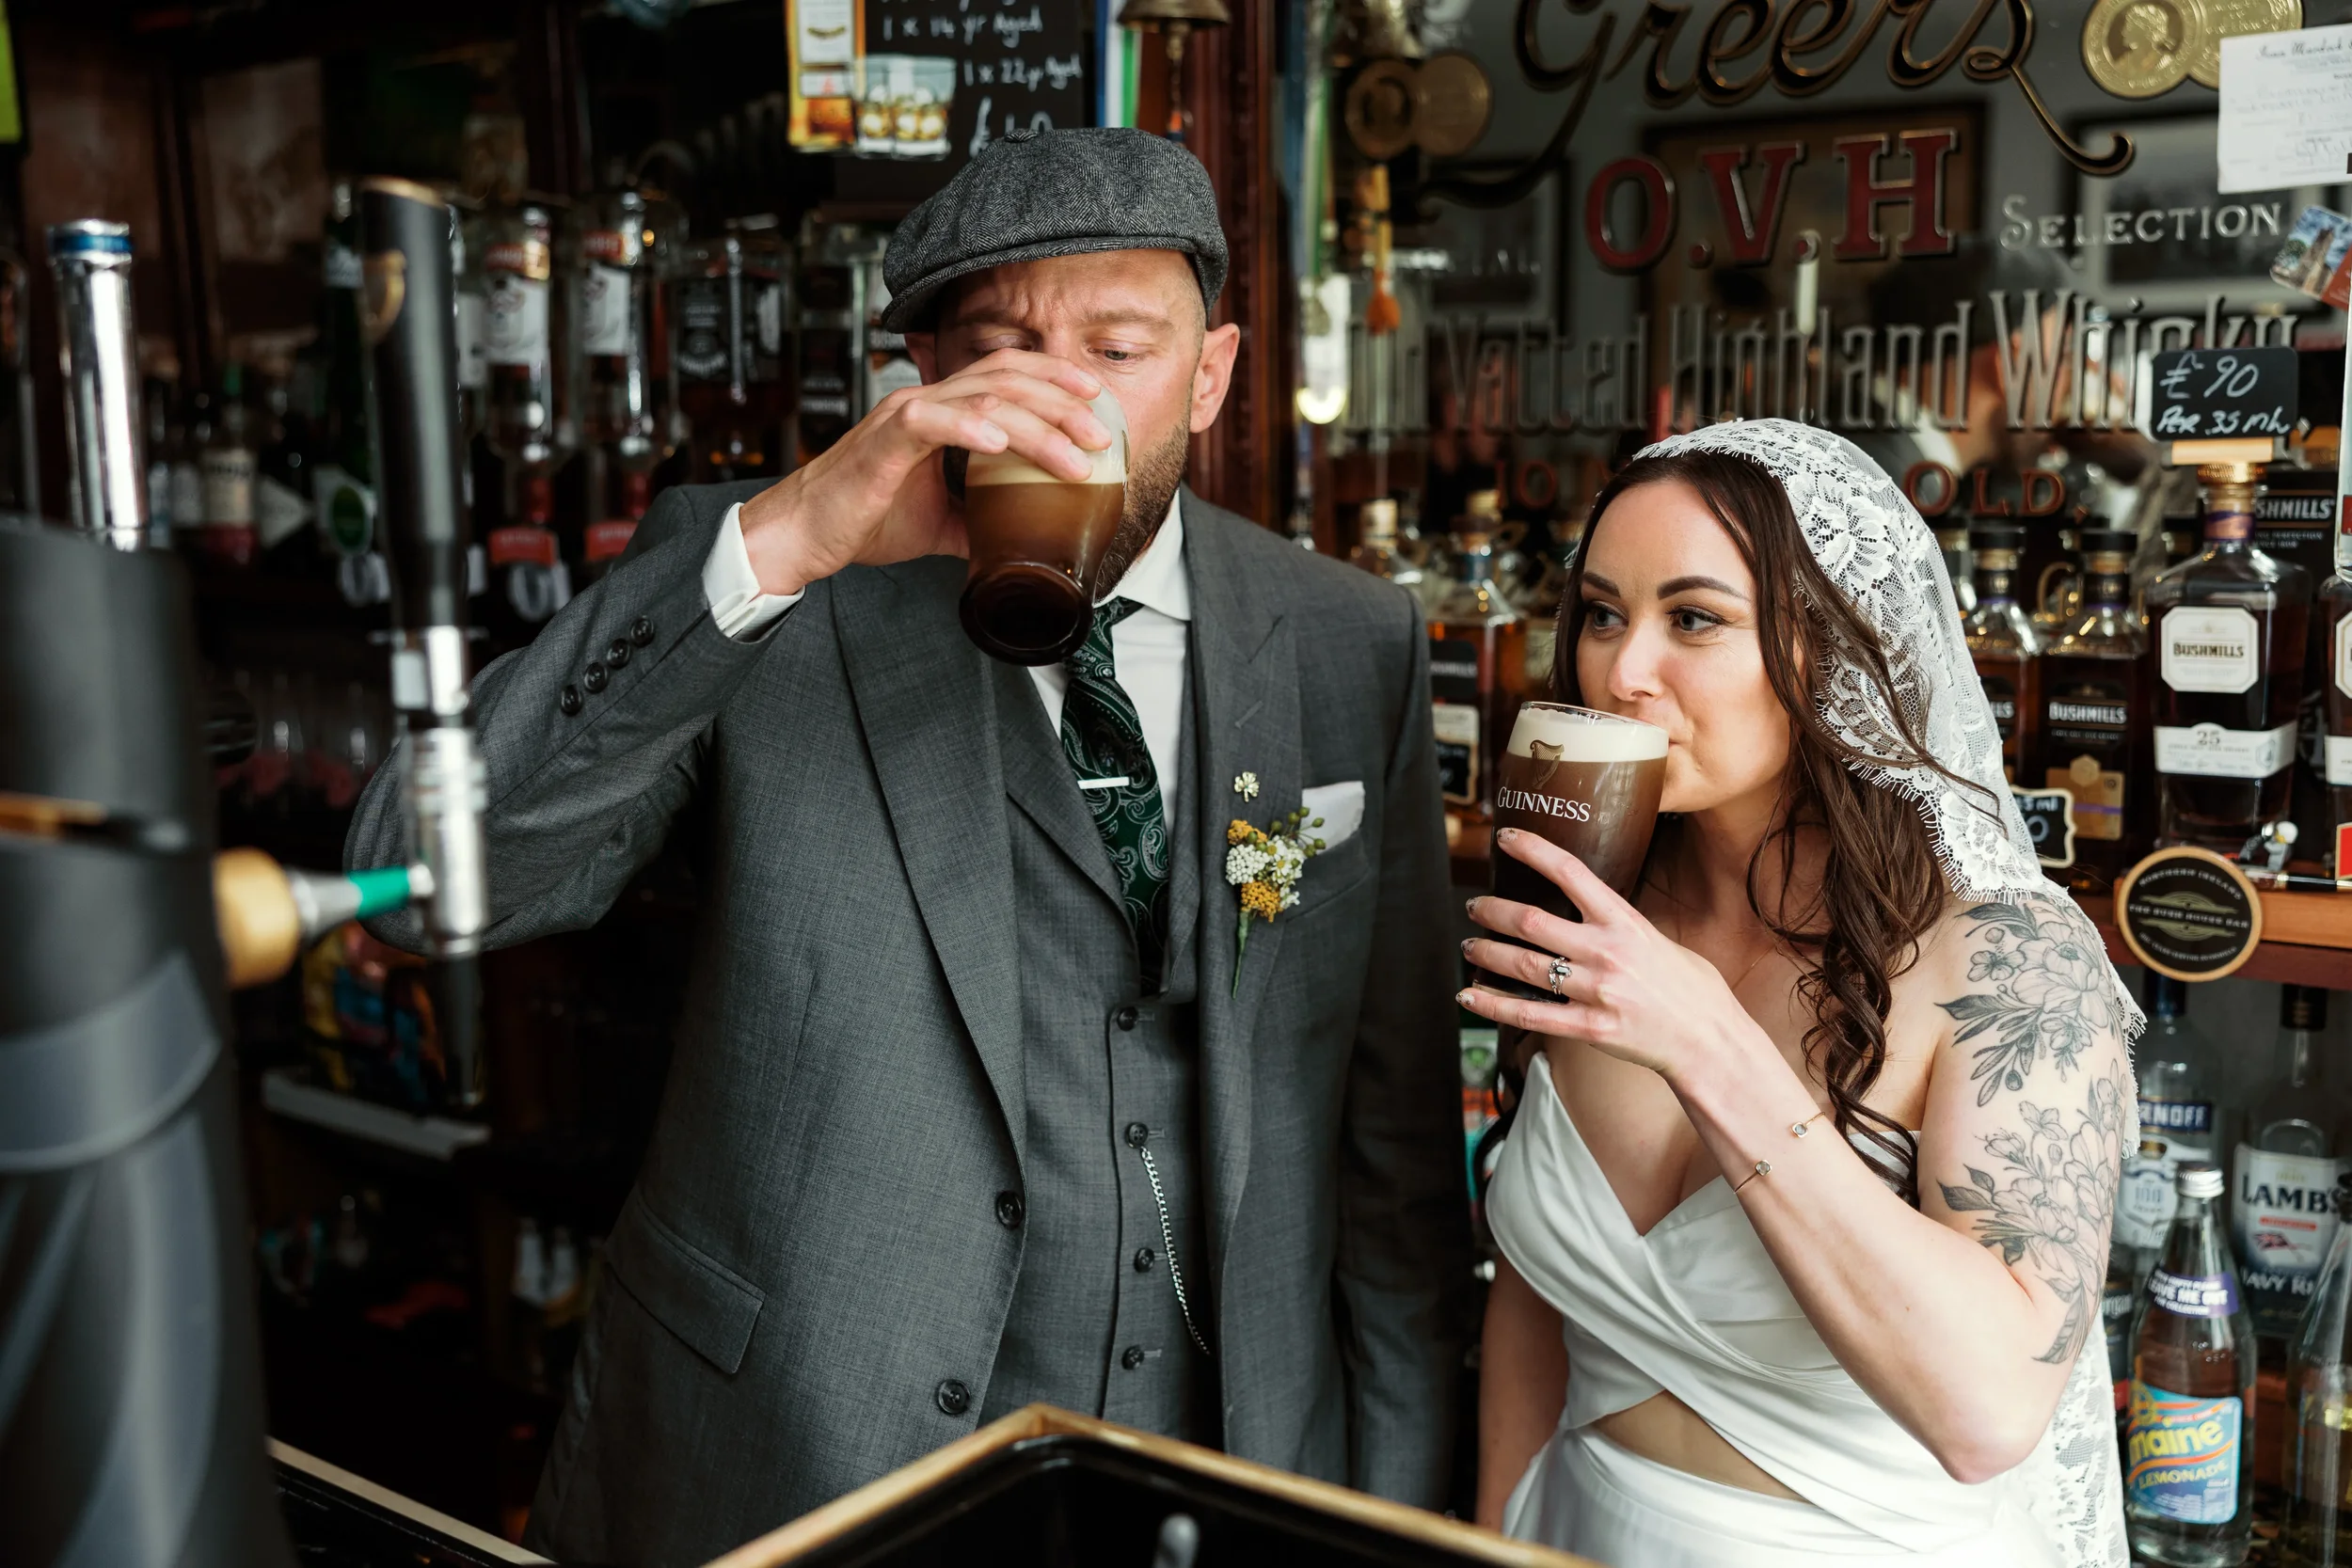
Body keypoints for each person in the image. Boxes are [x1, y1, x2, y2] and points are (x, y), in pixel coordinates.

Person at [347, 128, 1470, 1566]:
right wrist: (790, 537)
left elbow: (1393, 1171)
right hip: (807, 1461)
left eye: (1118, 347)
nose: (1061, 400)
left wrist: (1384, 1516)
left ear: (1212, 373)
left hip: (1227, 1475)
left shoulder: (1345, 638)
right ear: (929, 379)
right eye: (1003, 347)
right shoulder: (771, 580)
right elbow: (430, 872)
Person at [1461, 420, 2136, 1568]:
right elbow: (1532, 1309)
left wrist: (1707, 1045)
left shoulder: (2009, 962)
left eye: (1694, 618)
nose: (1621, 670)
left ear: (1831, 648)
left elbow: (1986, 1415)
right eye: (1603, 612)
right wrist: (1495, 1538)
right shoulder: (1603, 907)